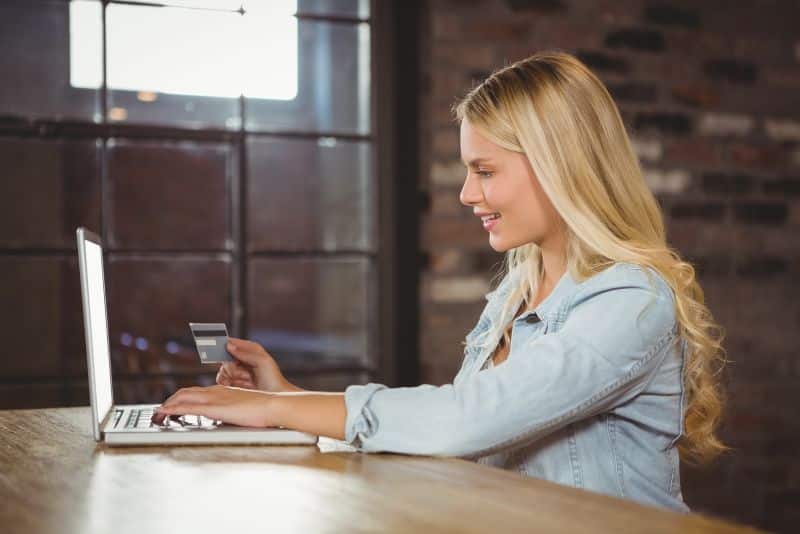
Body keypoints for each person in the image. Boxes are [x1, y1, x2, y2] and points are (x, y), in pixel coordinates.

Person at [152, 50, 728, 512]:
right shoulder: (518, 289)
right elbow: (456, 433)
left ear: (559, 165)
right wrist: (287, 397)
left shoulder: (629, 301)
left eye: (484, 171)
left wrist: (278, 414)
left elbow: (471, 418)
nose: (466, 194)